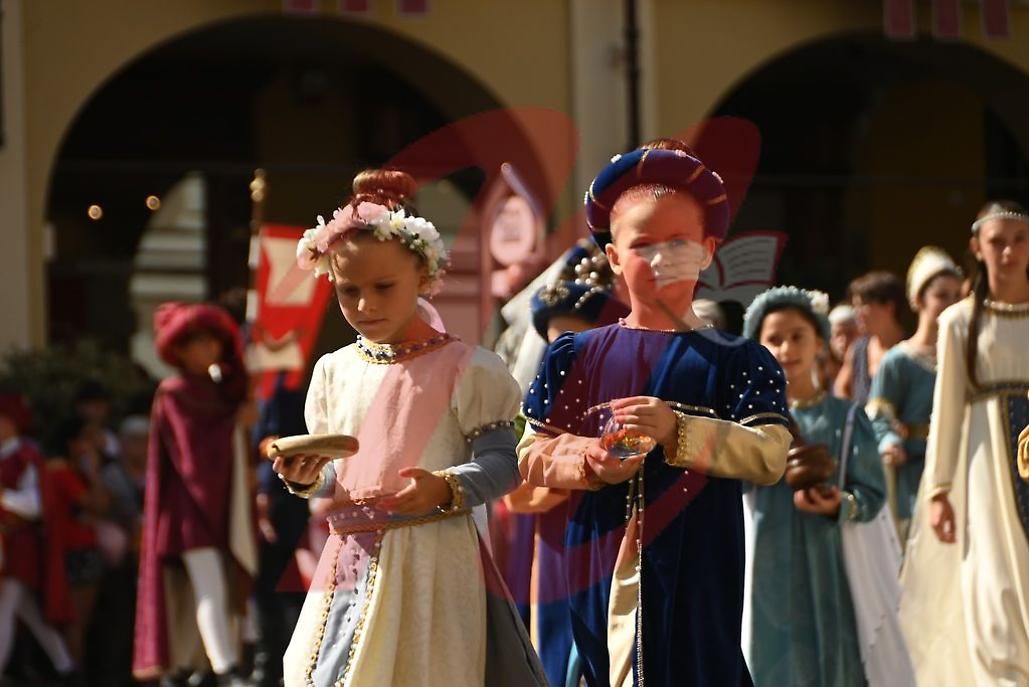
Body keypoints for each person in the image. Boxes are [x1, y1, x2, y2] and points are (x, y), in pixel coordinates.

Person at [518, 142, 792, 686]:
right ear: (614, 256)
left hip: (700, 561)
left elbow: (769, 455)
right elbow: (530, 453)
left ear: (708, 251)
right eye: (643, 244)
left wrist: (678, 430)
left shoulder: (739, 359)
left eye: (679, 243)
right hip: (597, 559)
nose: (662, 259)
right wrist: (591, 459)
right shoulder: (576, 355)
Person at [277, 169, 545, 687]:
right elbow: (341, 476)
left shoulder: (468, 368)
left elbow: (503, 463)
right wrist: (309, 477)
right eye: (348, 291)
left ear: (424, 277)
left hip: (433, 560)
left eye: (384, 287)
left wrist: (445, 487)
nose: (365, 305)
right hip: (350, 560)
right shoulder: (334, 371)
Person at [900, 200, 1029, 685]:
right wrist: (939, 491)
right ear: (978, 247)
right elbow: (948, 410)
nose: (1009, 251)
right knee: (993, 586)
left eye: (1019, 240)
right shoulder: (958, 322)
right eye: (998, 241)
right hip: (986, 473)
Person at [741, 286, 886, 686]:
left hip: (829, 558)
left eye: (797, 336)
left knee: (831, 653)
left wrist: (839, 503)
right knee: (770, 656)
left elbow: (872, 493)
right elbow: (732, 485)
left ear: (819, 342)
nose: (786, 348)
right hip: (768, 558)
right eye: (774, 339)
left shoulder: (848, 417)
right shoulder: (749, 421)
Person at [133, 303, 257, 687]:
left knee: (217, 587)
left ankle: (200, 667)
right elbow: (192, 455)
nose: (211, 350)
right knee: (209, 587)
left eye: (214, 342)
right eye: (200, 343)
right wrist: (235, 425)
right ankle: (225, 669)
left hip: (221, 507)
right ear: (180, 350)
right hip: (189, 512)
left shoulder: (221, 390)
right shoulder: (172, 393)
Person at [866, 248, 961, 539]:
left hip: (960, 468)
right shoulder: (898, 361)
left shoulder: (966, 358)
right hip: (914, 474)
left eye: (957, 296)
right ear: (919, 300)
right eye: (942, 296)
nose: (951, 304)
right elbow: (879, 416)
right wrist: (891, 442)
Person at [0, 395, 74, 684]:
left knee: (5, 607)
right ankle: (66, 668)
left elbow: (36, 505)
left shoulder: (26, 456)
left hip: (19, 545)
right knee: (28, 610)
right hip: (4, 545)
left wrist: (4, 496)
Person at [44, 414, 109, 671]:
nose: (93, 445)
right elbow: (99, 505)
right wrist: (94, 472)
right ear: (72, 442)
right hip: (76, 552)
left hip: (76, 550)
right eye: (87, 439)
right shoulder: (62, 473)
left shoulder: (68, 471)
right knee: (76, 623)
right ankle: (73, 674)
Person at [835, 272, 908, 404]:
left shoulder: (910, 351)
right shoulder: (858, 349)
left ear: (889, 307)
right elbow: (840, 388)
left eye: (863, 305)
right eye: (855, 306)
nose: (857, 313)